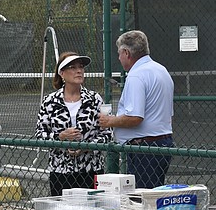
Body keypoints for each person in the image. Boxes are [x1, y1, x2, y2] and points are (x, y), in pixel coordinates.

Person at [99, 30, 174, 189]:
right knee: (154, 195)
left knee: (142, 199)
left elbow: (135, 118)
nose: (119, 58)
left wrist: (110, 121)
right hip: (163, 143)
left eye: (119, 53)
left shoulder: (136, 75)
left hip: (145, 149)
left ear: (126, 53)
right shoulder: (161, 70)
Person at [36, 52, 113, 195]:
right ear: (62, 73)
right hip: (60, 171)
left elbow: (107, 134)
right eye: (72, 67)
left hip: (91, 170)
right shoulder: (49, 101)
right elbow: (40, 135)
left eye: (81, 67)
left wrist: (85, 147)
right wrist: (61, 137)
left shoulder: (95, 99)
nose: (79, 71)